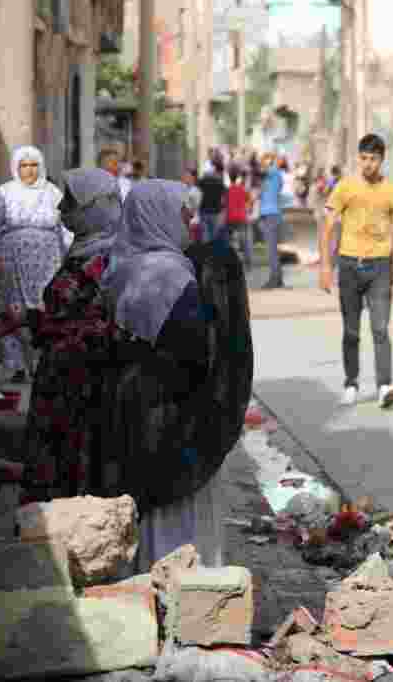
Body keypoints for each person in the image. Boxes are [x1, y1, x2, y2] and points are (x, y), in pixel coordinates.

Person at [100, 179, 253, 570]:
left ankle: (148, 578)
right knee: (178, 513)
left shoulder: (122, 266)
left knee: (148, 506)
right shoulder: (169, 275)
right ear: (158, 216)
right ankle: (182, 586)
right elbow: (194, 347)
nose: (189, 220)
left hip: (133, 404)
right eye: (181, 213)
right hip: (170, 412)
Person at [0, 168, 123, 503]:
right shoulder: (84, 251)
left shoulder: (109, 262)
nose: (61, 208)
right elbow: (69, 317)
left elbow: (95, 327)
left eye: (71, 202)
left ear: (94, 207)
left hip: (83, 386)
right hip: (61, 381)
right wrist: (25, 319)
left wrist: (38, 324)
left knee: (71, 476)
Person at [325, 134, 393, 408]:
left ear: (382, 159)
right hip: (349, 265)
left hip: (380, 267)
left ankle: (384, 386)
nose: (368, 164)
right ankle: (351, 383)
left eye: (374, 159)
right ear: (358, 158)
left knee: (380, 329)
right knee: (351, 331)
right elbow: (329, 227)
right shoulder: (345, 187)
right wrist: (326, 266)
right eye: (364, 158)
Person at [0, 146, 66, 383]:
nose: (29, 170)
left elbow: (65, 226)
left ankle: (42, 361)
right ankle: (17, 365)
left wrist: (69, 253)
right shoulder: (4, 192)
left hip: (47, 261)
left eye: (33, 165)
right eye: (24, 165)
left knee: (44, 307)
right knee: (12, 310)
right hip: (11, 261)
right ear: (16, 167)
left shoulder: (52, 192)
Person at [257, 152, 285, 289]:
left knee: (271, 249)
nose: (262, 164)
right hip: (268, 214)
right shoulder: (270, 177)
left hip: (271, 215)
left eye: (265, 161)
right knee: (272, 249)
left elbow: (262, 171)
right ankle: (277, 278)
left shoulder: (274, 173)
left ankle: (275, 279)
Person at [226, 167, 252, 270]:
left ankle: (231, 263)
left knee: (230, 241)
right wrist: (247, 210)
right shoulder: (241, 189)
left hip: (230, 218)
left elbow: (223, 204)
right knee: (245, 241)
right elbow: (249, 200)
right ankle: (248, 263)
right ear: (237, 177)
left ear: (229, 177)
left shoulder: (227, 190)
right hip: (241, 217)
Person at [197, 160, 227, 245]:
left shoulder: (203, 180)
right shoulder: (220, 182)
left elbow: (198, 191)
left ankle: (206, 250)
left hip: (204, 210)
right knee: (214, 235)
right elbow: (224, 197)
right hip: (216, 211)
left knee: (205, 235)